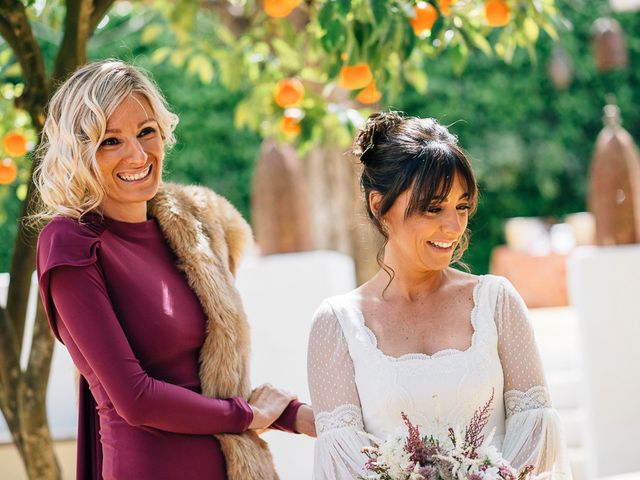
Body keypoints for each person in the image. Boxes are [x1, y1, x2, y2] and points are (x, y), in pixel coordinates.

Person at [34, 59, 315, 480]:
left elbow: (209, 383)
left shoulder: (192, 227)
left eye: (146, 132)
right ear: (79, 152)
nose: (137, 153)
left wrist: (295, 415)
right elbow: (136, 398)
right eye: (111, 141)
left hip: (232, 467)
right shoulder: (71, 243)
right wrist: (248, 414)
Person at [307, 112, 570, 479]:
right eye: (433, 208)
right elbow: (346, 462)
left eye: (461, 206)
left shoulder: (496, 302)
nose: (453, 226)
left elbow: (535, 437)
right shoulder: (337, 324)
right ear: (379, 206)